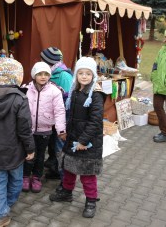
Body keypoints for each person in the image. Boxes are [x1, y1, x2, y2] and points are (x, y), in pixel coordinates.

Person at [0, 58, 35, 227]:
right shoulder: (20, 99)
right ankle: (4, 208)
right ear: (17, 76)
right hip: (15, 149)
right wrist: (30, 149)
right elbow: (25, 128)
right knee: (16, 181)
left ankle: (0, 214)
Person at [49, 57, 104, 219]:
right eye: (81, 73)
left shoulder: (96, 95)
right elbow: (70, 116)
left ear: (93, 75)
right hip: (72, 138)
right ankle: (66, 192)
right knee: (69, 169)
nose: (84, 76)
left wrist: (83, 141)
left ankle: (91, 200)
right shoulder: (74, 91)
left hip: (88, 143)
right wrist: (65, 131)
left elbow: (95, 122)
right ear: (76, 74)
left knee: (87, 174)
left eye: (88, 73)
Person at [22, 62, 66, 193]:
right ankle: (25, 176)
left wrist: (61, 130)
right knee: (28, 154)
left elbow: (59, 111)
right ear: (34, 75)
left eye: (46, 74)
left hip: (45, 130)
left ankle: (36, 177)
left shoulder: (55, 91)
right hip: (28, 130)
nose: (43, 77)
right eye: (39, 74)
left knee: (40, 155)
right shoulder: (25, 89)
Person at [40, 47, 73, 180]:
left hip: (61, 119)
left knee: (60, 147)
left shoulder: (64, 76)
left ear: (49, 62)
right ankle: (55, 169)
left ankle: (64, 179)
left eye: (43, 59)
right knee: (53, 145)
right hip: (50, 118)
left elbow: (67, 101)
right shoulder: (47, 73)